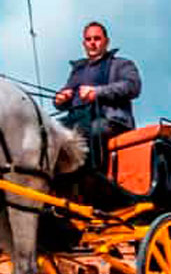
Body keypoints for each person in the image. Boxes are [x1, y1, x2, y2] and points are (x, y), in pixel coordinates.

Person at [54, 21, 142, 171]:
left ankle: (93, 178)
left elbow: (132, 86)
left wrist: (97, 92)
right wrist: (60, 99)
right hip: (76, 120)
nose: (92, 43)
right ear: (84, 43)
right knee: (49, 133)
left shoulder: (122, 64)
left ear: (106, 42)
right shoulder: (77, 71)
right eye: (88, 40)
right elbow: (63, 98)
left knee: (92, 130)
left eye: (97, 39)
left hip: (110, 121)